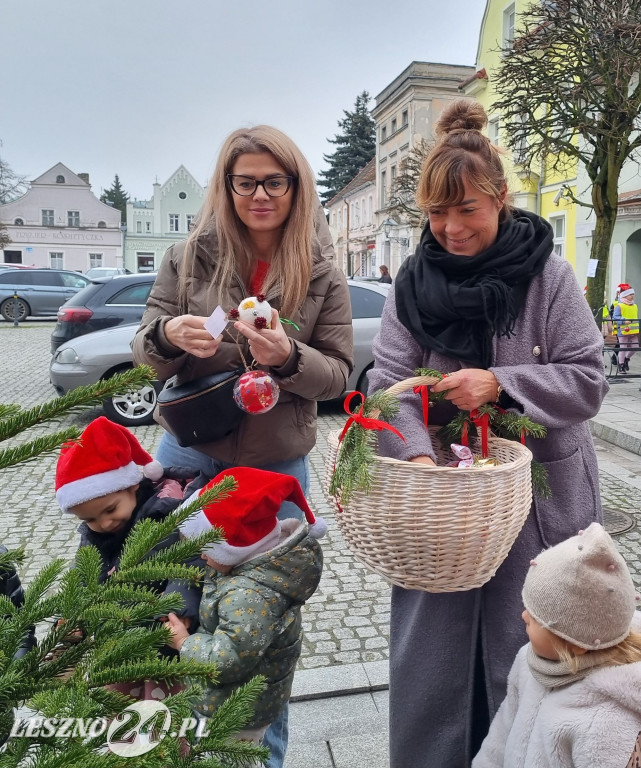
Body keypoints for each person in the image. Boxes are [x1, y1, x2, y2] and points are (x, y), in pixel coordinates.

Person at [367, 98, 609, 768]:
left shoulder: (548, 278)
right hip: (438, 512)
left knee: (532, 658)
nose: (448, 227)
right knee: (434, 667)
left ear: (499, 199)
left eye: (465, 209)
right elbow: (387, 383)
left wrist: (500, 383)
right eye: (434, 213)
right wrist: (419, 457)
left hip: (541, 501)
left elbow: (588, 380)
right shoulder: (411, 286)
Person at [132, 124, 353, 766]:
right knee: (167, 609)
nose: (260, 194)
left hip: (275, 469)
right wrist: (170, 334)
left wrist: (288, 357)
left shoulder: (321, 274)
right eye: (245, 181)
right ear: (226, 187)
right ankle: (167, 749)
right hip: (190, 456)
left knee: (263, 634)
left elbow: (338, 374)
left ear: (295, 187)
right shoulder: (186, 256)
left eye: (274, 182)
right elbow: (145, 348)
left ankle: (263, 757)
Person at [166, 468, 325, 755]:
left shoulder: (248, 595)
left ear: (236, 548)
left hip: (237, 709)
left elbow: (229, 658)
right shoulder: (253, 567)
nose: (201, 556)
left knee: (229, 759)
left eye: (207, 549)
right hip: (237, 700)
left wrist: (184, 642)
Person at [55, 416, 207, 695]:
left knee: (165, 715)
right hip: (119, 644)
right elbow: (84, 575)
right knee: (120, 712)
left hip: (165, 637)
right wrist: (72, 617)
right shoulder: (95, 536)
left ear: (132, 484)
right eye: (89, 519)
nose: (103, 523)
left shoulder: (169, 513)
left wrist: (179, 607)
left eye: (110, 510)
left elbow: (192, 559)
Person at [473, 523, 641, 767]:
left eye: (537, 616)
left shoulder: (604, 722)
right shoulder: (528, 663)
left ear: (575, 643)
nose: (523, 616)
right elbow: (500, 737)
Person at [613, 286, 639, 373]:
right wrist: (623, 321)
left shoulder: (635, 306)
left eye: (633, 294)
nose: (632, 296)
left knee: (635, 347)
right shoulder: (619, 306)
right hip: (623, 330)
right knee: (623, 347)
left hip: (634, 330)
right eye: (630, 294)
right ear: (624, 295)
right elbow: (615, 317)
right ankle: (621, 365)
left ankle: (626, 359)